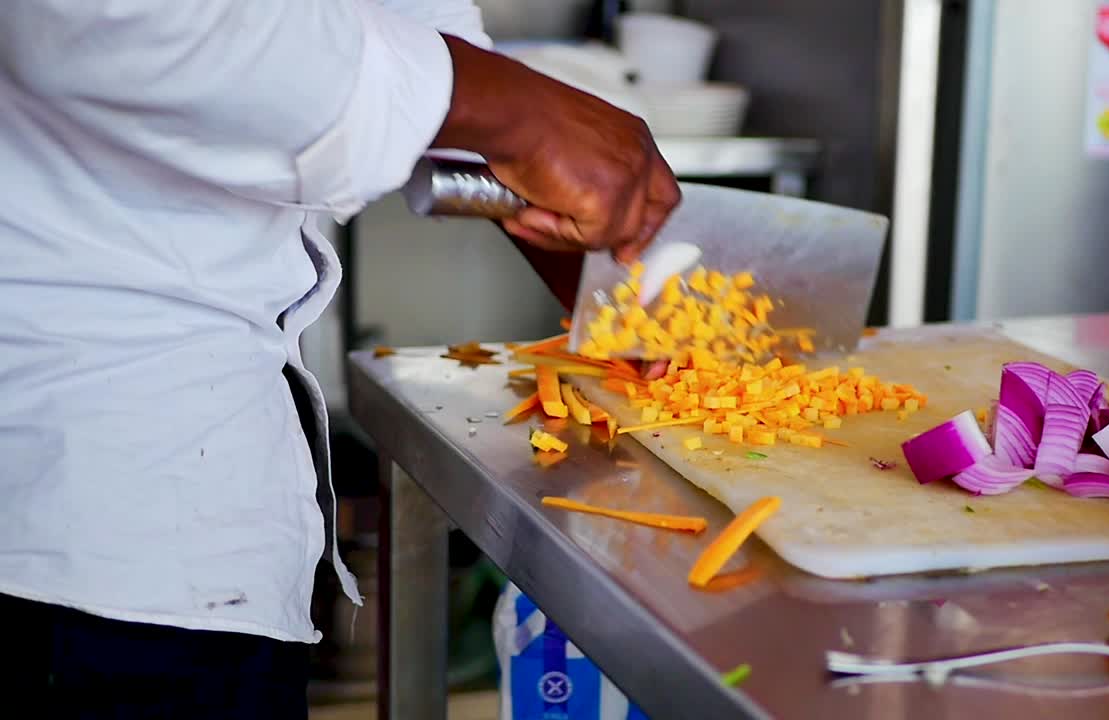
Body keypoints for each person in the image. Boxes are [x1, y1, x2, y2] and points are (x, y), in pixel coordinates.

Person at [0, 1, 680, 717]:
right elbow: (109, 16)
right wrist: (523, 113)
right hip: (81, 513)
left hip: (165, 506)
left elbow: (417, 29)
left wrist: (615, 282)